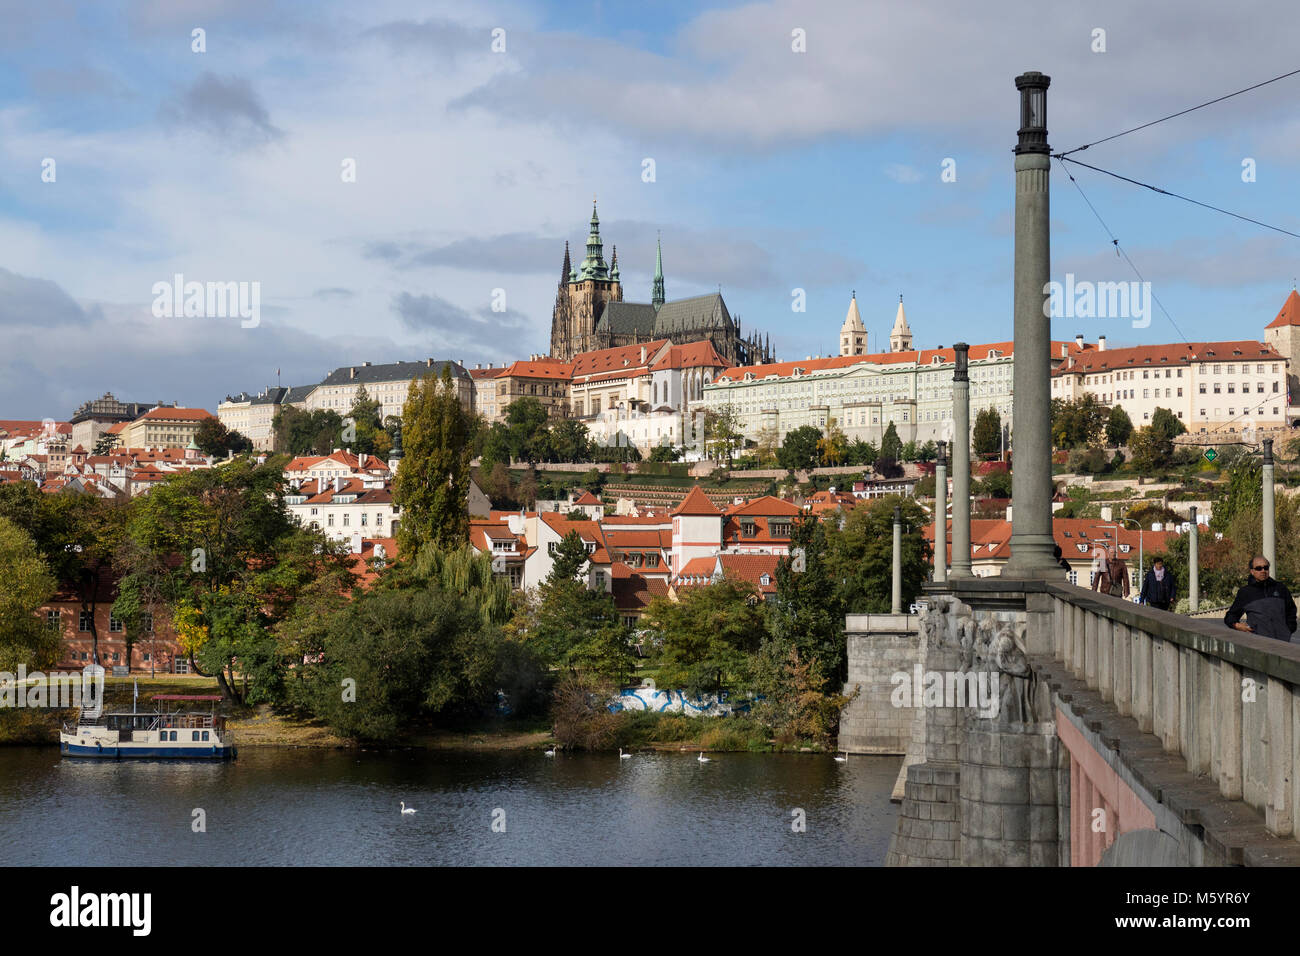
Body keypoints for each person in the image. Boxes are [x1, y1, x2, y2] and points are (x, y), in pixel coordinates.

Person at [1224, 556, 1297, 642]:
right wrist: (1236, 625)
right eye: (1258, 568)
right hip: (1258, 643)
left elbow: (1291, 610)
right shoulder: (1245, 592)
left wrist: (1289, 629)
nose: (1263, 571)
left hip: (1283, 642)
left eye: (1266, 568)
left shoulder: (1280, 588)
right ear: (1252, 571)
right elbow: (1230, 616)